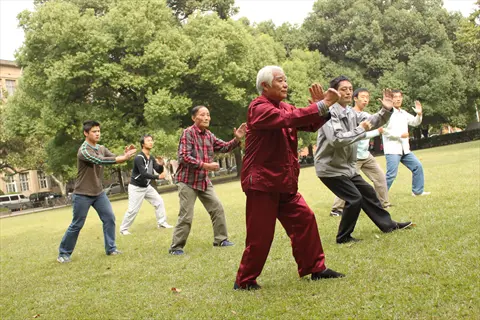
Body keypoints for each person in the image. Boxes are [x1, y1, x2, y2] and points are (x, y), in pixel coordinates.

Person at [234, 66, 345, 291]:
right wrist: (322, 104)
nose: (285, 84)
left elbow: (308, 123)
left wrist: (321, 107)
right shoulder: (258, 107)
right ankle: (244, 281)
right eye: (280, 80)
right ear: (265, 86)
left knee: (305, 219)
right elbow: (290, 118)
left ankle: (316, 268)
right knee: (261, 236)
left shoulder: (284, 106)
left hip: (284, 182)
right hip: (263, 183)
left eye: (286, 80)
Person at [315, 76, 414, 244]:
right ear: (333, 92)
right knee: (354, 199)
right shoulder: (329, 114)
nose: (347, 91)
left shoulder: (351, 113)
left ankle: (388, 225)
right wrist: (361, 129)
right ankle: (343, 237)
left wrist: (386, 110)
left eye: (350, 88)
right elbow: (337, 140)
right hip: (330, 168)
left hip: (347, 167)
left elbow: (373, 121)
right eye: (343, 89)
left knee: (368, 192)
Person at [168, 106, 246, 255]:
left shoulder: (209, 135)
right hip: (187, 181)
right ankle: (176, 247)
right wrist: (206, 165)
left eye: (208, 115)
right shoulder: (188, 133)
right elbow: (183, 157)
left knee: (217, 208)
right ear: (194, 118)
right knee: (186, 215)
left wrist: (237, 138)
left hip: (203, 180)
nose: (206, 118)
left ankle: (221, 240)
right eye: (202, 115)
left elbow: (224, 147)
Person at [57, 120, 137, 263]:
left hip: (98, 193)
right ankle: (63, 253)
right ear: (86, 133)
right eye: (94, 131)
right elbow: (101, 161)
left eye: (98, 131)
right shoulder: (83, 151)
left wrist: (125, 155)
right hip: (82, 194)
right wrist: (121, 159)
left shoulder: (101, 147)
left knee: (109, 218)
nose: (97, 133)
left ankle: (111, 249)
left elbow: (111, 157)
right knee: (77, 224)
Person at [330, 88, 392, 217]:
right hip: (353, 156)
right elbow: (357, 135)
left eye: (367, 97)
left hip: (365, 155)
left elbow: (377, 121)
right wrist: (376, 132)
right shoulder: (348, 115)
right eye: (362, 96)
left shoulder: (365, 115)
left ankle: (384, 204)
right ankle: (336, 209)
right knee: (348, 183)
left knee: (380, 177)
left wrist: (386, 110)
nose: (365, 99)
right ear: (355, 98)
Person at [119, 134, 173, 235]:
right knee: (132, 210)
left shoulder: (151, 157)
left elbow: (157, 169)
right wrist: (158, 177)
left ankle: (161, 223)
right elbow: (143, 174)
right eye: (148, 141)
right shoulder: (139, 158)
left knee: (159, 202)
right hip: (136, 187)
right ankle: (123, 230)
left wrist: (161, 164)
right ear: (143, 144)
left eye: (152, 140)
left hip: (146, 186)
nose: (151, 142)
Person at [382, 90, 430, 196]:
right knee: (391, 175)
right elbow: (383, 131)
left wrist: (419, 114)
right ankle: (377, 198)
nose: (398, 99)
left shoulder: (403, 113)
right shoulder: (387, 113)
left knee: (417, 166)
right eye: (395, 97)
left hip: (405, 149)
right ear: (391, 99)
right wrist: (399, 135)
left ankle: (417, 191)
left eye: (400, 97)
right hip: (392, 149)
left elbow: (415, 122)